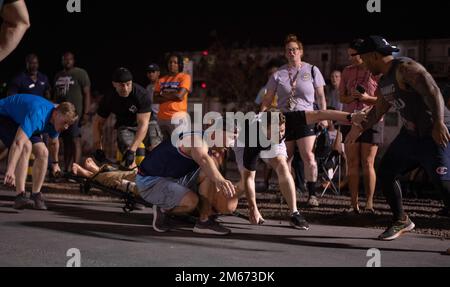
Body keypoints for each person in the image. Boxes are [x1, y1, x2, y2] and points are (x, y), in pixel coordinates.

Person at [346, 35, 450, 240]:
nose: (364, 65)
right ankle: (401, 219)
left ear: (373, 55)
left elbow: (433, 91)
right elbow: (377, 112)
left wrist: (438, 122)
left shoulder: (405, 67)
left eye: (365, 59)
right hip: (410, 136)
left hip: (434, 133)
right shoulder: (384, 81)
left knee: (444, 185)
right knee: (386, 171)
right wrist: (358, 129)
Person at [233, 109, 366, 228]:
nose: (280, 136)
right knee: (244, 184)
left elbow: (320, 114)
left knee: (282, 166)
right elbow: (249, 178)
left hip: (268, 139)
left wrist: (351, 116)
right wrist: (253, 208)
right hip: (243, 141)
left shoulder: (288, 119)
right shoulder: (253, 138)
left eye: (282, 130)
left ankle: (294, 213)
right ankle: (224, 197)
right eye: (276, 132)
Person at [135, 121, 238, 235]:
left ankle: (204, 221)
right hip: (151, 182)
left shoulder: (210, 145)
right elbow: (204, 159)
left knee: (210, 174)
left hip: (174, 178)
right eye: (231, 137)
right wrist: (220, 180)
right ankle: (163, 210)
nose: (233, 143)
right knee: (191, 202)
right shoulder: (196, 140)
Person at [261, 34, 328, 207]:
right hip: (284, 118)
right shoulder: (278, 74)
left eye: (295, 49)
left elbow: (320, 96)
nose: (292, 52)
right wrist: (262, 114)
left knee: (308, 155)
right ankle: (286, 193)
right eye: (288, 50)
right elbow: (268, 98)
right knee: (285, 158)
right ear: (285, 53)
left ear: (301, 51)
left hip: (306, 116)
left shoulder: (312, 70)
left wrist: (324, 116)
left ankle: (312, 194)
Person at [0, 94, 77, 210]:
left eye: (68, 124)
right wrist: (10, 169)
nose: (66, 127)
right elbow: (18, 143)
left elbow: (54, 143)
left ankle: (36, 194)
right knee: (26, 146)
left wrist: (55, 164)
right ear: (55, 114)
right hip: (5, 117)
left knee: (43, 152)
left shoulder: (56, 121)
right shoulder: (38, 115)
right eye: (65, 122)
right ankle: (20, 195)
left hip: (22, 118)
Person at [339, 39, 383, 214]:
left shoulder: (377, 71)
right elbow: (342, 97)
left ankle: (370, 203)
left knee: (368, 162)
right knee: (352, 162)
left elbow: (383, 99)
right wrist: (353, 97)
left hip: (372, 120)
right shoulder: (347, 71)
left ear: (363, 54)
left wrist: (366, 98)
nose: (350, 58)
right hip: (349, 120)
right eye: (349, 55)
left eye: (353, 55)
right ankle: (354, 204)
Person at [93, 68, 152, 169]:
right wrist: (98, 148)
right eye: (121, 85)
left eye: (128, 84)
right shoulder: (109, 98)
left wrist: (132, 150)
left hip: (147, 123)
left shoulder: (142, 94)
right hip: (125, 126)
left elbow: (143, 125)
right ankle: (132, 177)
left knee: (156, 147)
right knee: (129, 155)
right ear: (114, 84)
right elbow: (97, 123)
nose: (125, 88)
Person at [54, 51, 91, 172]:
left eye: (69, 59)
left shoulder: (80, 73)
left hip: (75, 115)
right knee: (66, 142)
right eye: (64, 59)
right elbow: (55, 96)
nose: (67, 61)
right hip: (61, 115)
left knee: (75, 140)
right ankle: (66, 169)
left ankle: (76, 169)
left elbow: (87, 93)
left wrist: (86, 113)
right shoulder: (58, 75)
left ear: (73, 60)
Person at [153, 53, 192, 140]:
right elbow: (155, 99)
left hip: (178, 118)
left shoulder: (185, 77)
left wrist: (162, 94)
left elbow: (179, 96)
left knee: (179, 147)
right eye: (170, 62)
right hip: (162, 118)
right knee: (165, 148)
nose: (172, 64)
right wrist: (173, 94)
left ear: (180, 65)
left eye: (175, 62)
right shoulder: (161, 80)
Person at [145, 63, 163, 151]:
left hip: (161, 118)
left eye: (153, 71)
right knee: (152, 145)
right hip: (151, 119)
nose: (151, 74)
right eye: (149, 72)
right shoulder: (148, 87)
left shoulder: (163, 85)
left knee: (158, 144)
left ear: (158, 73)